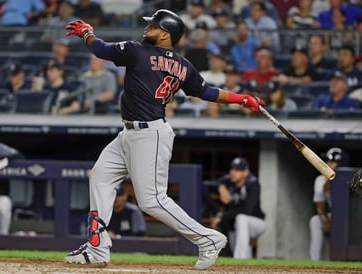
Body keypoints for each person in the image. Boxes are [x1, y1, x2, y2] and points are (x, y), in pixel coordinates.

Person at [63, 9, 264, 269]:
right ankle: (97, 247)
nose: (147, 28)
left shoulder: (137, 51)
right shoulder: (182, 64)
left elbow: (100, 49)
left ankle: (207, 238)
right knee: (99, 176)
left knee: (152, 200)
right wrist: (242, 99)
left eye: (153, 26)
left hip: (151, 134)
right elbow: (207, 92)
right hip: (129, 133)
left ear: (166, 34)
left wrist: (87, 33)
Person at [210, 157, 266, 259]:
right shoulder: (229, 180)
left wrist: (222, 215)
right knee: (236, 238)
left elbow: (247, 210)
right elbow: (208, 184)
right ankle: (243, 262)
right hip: (237, 226)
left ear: (245, 172)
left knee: (241, 218)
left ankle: (240, 258)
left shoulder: (253, 183)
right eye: (232, 169)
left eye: (237, 170)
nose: (233, 172)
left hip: (256, 223)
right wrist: (220, 187)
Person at [309, 147, 349, 261]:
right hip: (335, 216)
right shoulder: (320, 180)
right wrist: (325, 221)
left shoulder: (353, 178)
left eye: (332, 162)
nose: (327, 164)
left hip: (352, 218)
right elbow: (320, 205)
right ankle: (314, 261)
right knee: (316, 221)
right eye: (327, 161)